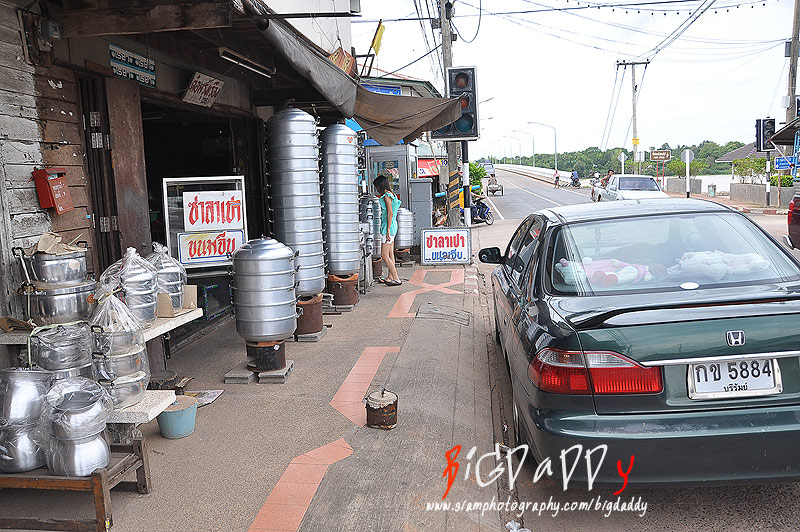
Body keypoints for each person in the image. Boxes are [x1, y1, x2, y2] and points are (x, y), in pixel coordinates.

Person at [373, 175, 402, 286]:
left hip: (388, 226)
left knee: (384, 255)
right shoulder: (392, 194)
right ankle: (390, 277)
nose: (376, 189)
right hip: (393, 225)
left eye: (376, 186)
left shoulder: (386, 196)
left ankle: (396, 277)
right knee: (390, 254)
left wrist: (388, 230)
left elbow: (389, 212)